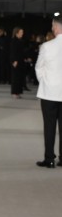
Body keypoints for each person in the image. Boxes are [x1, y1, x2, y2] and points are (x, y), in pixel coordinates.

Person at [35, 14, 62, 168]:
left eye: (53, 25)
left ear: (57, 28)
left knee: (49, 126)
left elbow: (39, 67)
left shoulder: (46, 46)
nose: (52, 28)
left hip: (49, 92)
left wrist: (44, 81)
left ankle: (49, 158)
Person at [10, 27, 25, 99]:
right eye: (21, 32)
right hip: (16, 62)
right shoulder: (14, 41)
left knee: (19, 78)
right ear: (17, 33)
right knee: (15, 78)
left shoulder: (20, 40)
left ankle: (18, 92)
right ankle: (14, 92)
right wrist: (14, 60)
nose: (22, 33)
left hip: (20, 61)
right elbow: (12, 52)